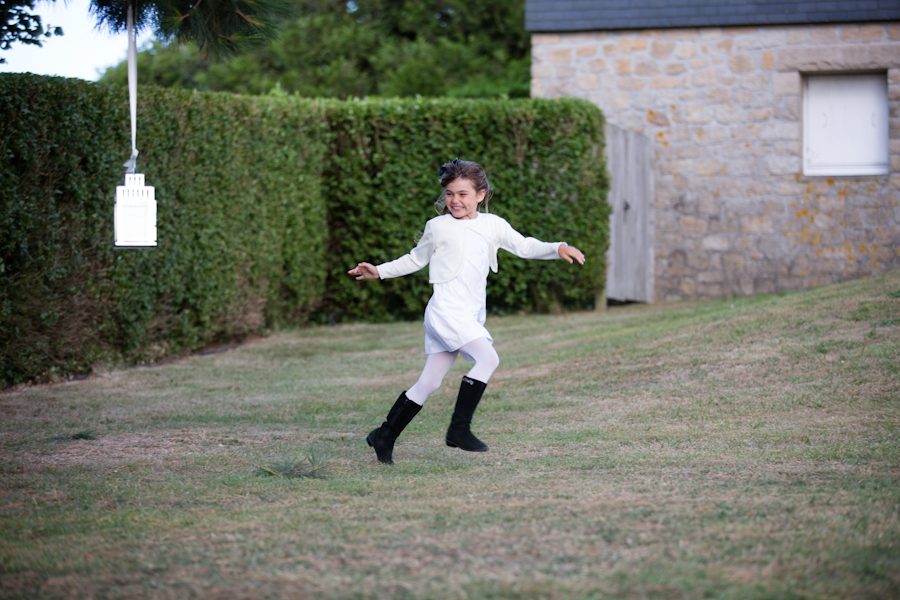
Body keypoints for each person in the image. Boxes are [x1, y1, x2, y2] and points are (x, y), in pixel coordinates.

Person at [348, 159, 585, 464]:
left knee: (429, 383)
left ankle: (384, 435)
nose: (455, 201)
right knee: (488, 357)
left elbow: (524, 246)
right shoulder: (437, 227)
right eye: (449, 194)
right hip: (445, 312)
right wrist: (379, 271)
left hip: (469, 314)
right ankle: (459, 430)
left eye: (462, 194)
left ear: (480, 195)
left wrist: (557, 247)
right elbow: (414, 259)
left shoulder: (493, 225)